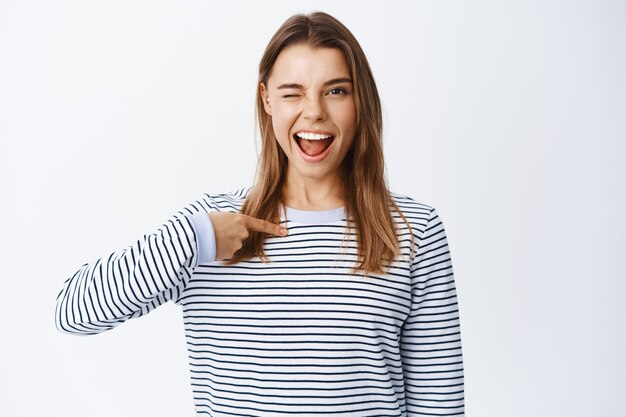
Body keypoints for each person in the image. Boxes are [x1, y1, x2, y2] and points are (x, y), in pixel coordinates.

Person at [55, 10, 465, 416]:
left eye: (336, 90)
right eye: (292, 92)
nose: (315, 111)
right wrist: (194, 239)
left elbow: (439, 403)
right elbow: (73, 311)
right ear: (266, 100)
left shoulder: (413, 230)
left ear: (360, 101)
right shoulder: (210, 228)